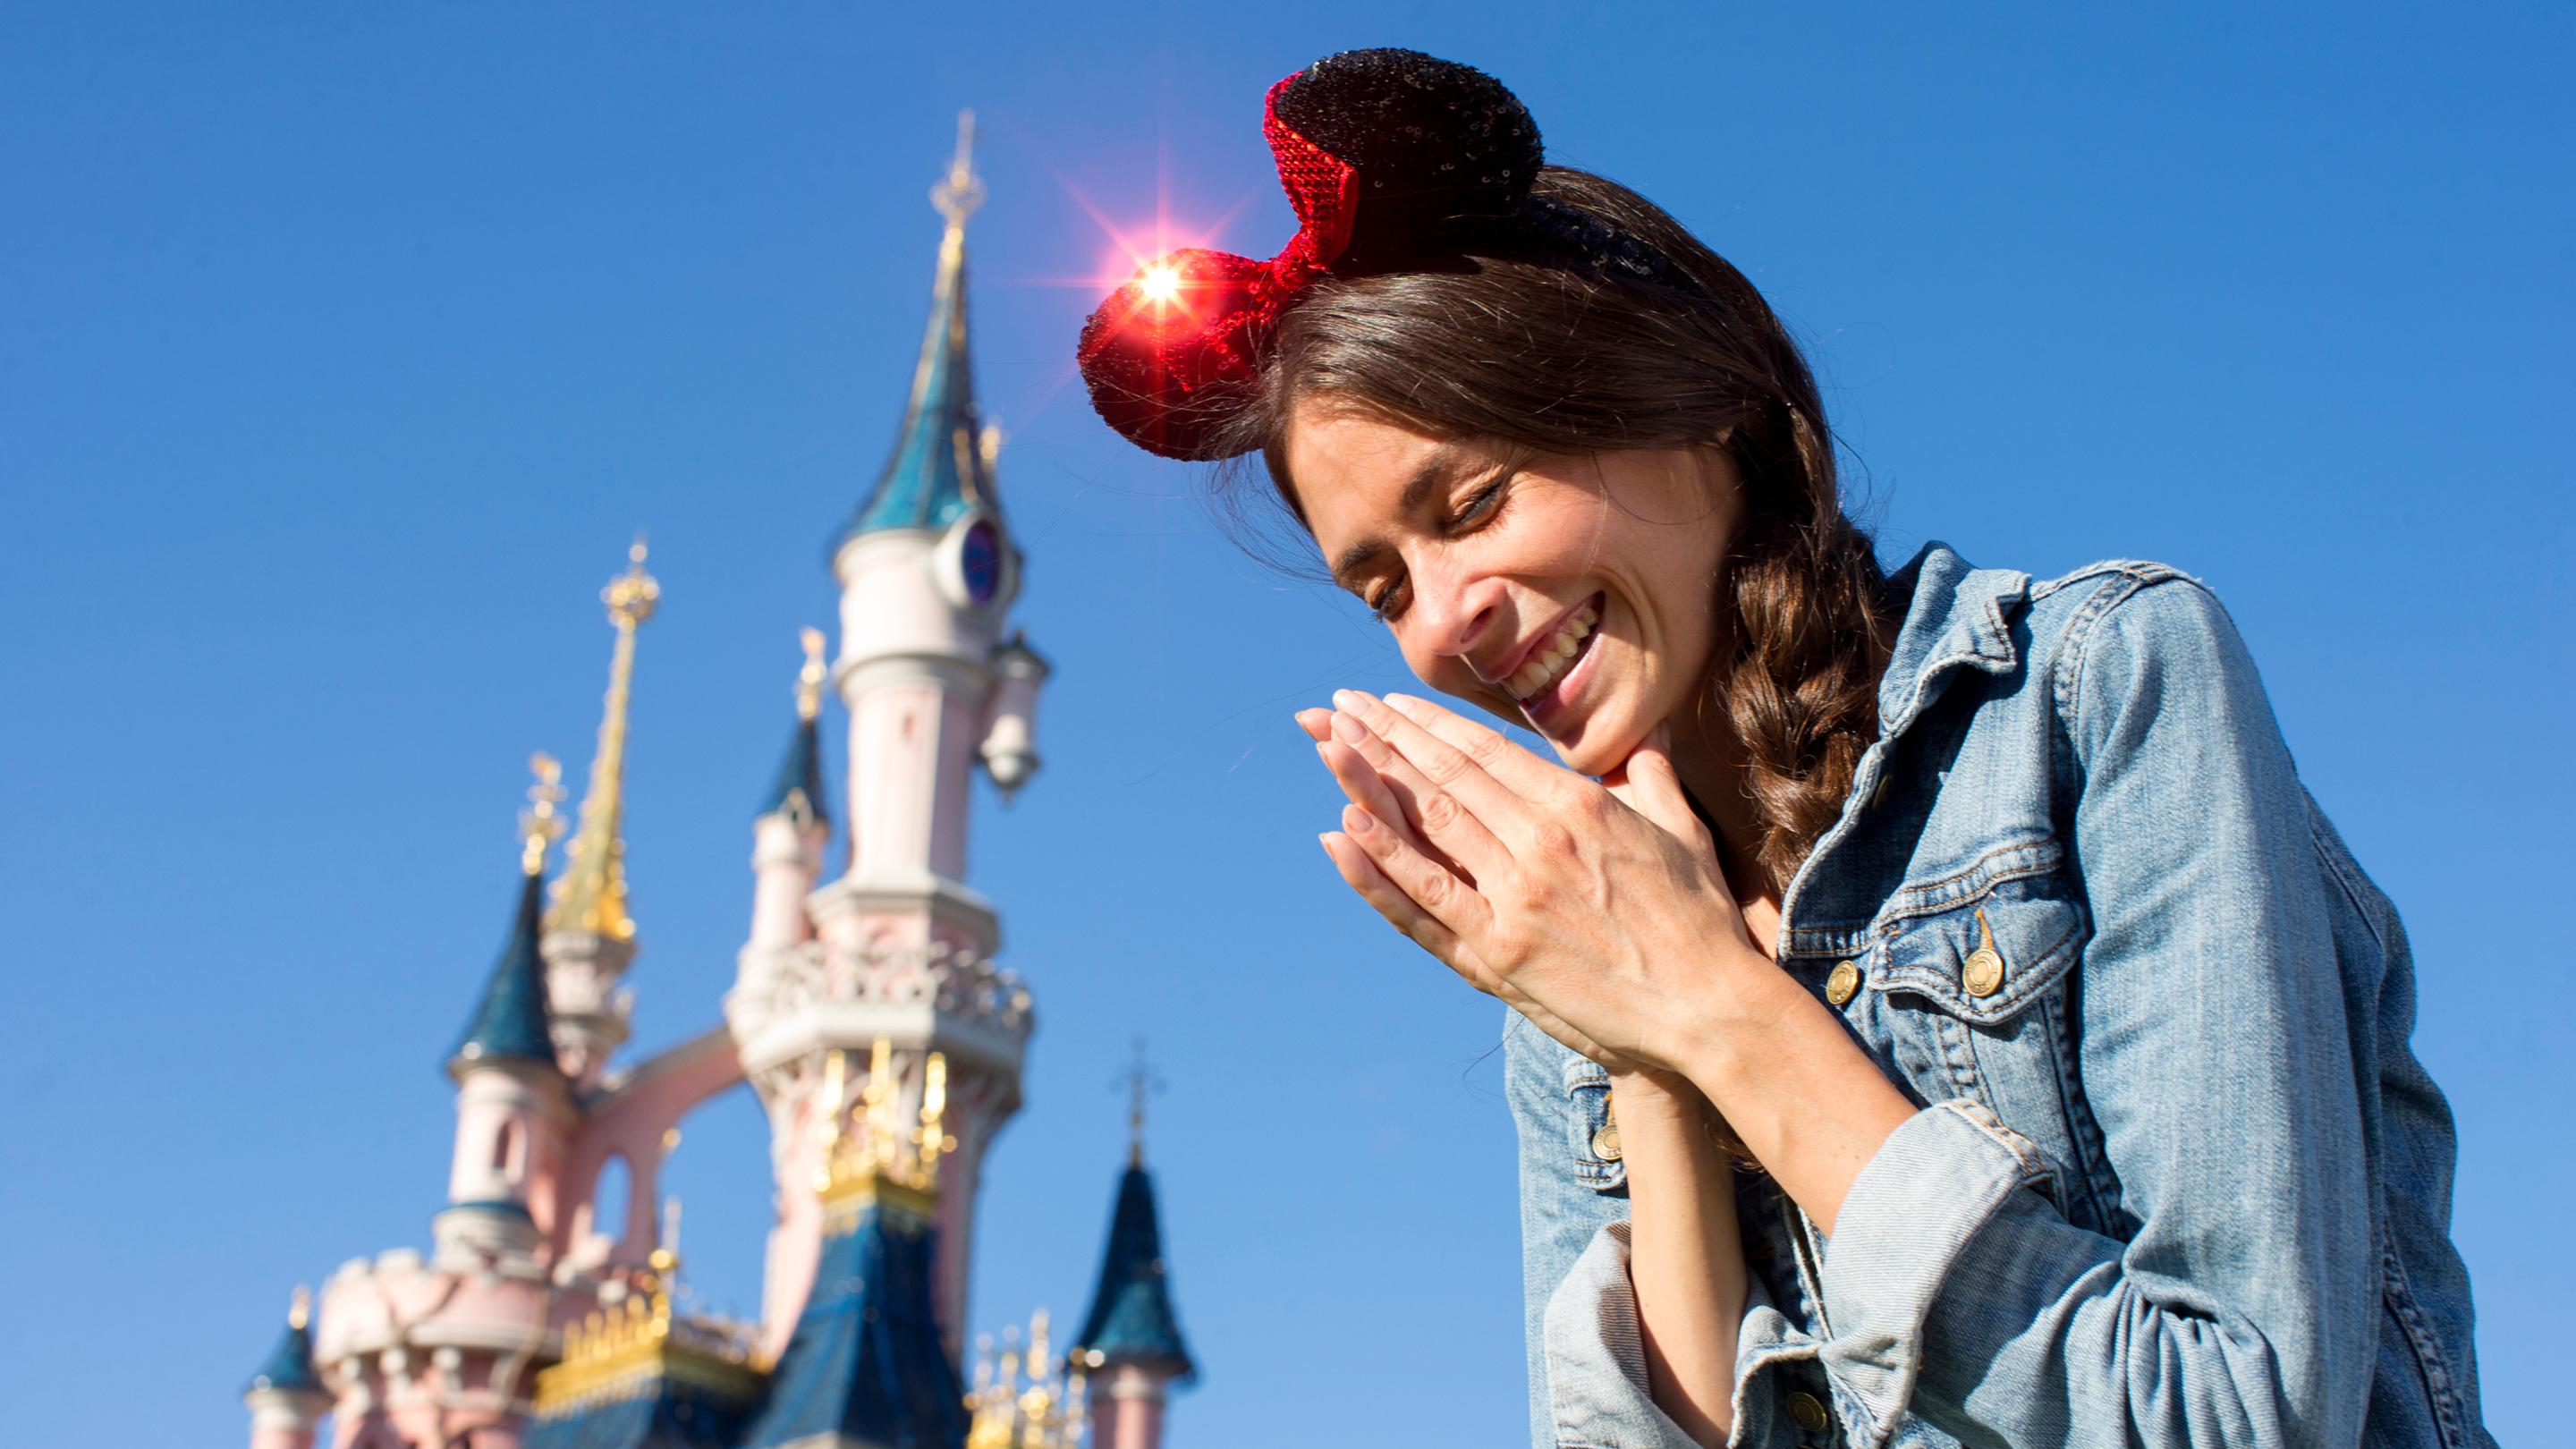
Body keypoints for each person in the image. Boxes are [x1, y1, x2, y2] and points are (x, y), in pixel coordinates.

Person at [1075, 47, 2495, 1449]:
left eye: (1476, 502)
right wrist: (1641, 1050)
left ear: (1691, 402)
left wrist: (1717, 1009)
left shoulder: (2093, 691)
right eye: (1381, 586)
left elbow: (2235, 1416)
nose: (1448, 621)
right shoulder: (1571, 952)